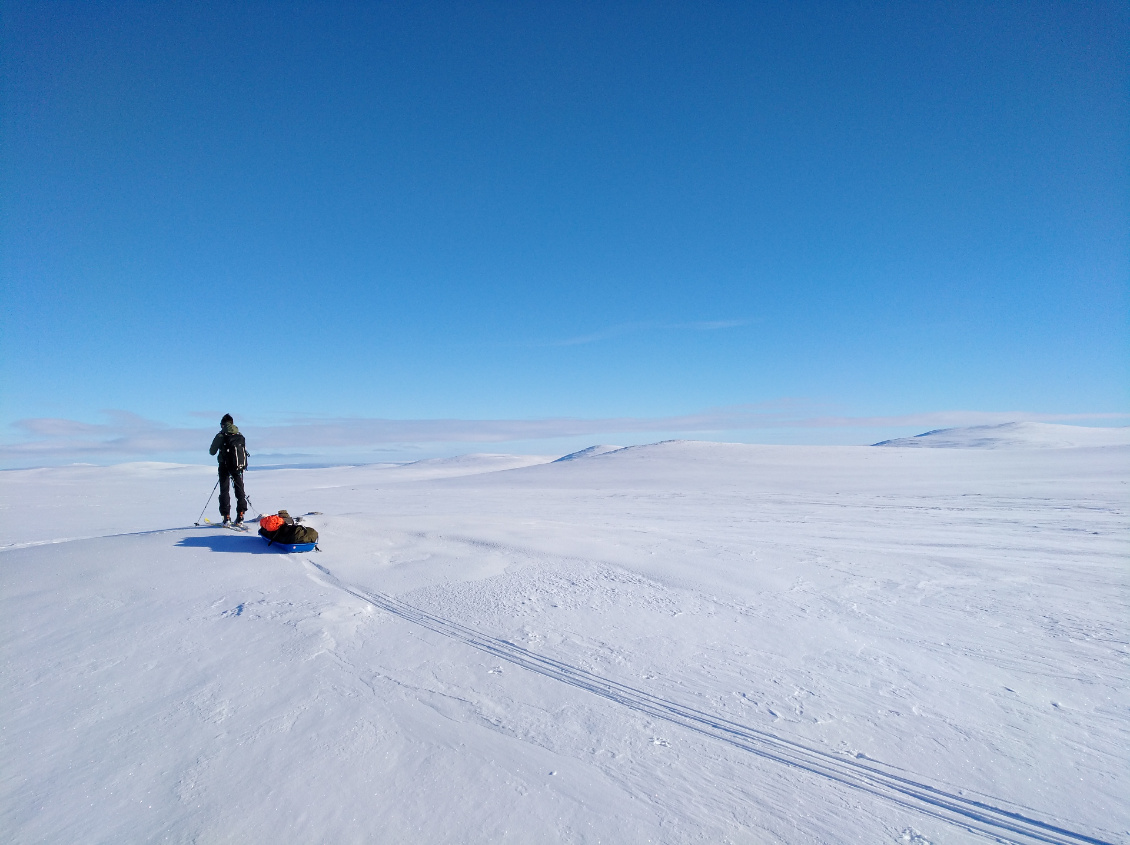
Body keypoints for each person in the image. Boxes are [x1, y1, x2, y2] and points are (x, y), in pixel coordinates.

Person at [208, 414, 248, 525]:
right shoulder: (239, 435)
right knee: (240, 490)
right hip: (238, 467)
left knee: (224, 491)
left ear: (222, 424)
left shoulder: (221, 436)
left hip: (224, 466)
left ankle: (226, 517)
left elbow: (212, 452)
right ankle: (241, 514)